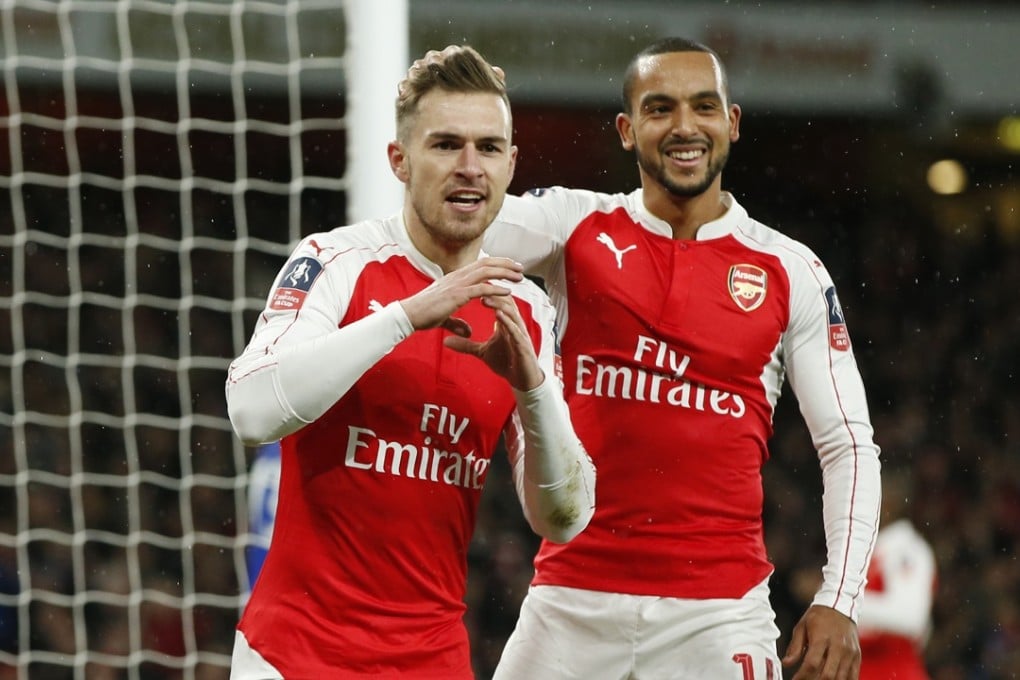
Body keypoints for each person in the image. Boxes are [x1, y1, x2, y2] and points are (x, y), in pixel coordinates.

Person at [409, 37, 882, 679]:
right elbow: (452, 219)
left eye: (703, 107)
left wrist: (840, 598)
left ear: (732, 122)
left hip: (719, 614)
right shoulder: (575, 226)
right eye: (660, 109)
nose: (684, 127)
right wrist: (448, 138)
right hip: (569, 603)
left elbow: (848, 442)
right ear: (628, 131)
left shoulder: (789, 270)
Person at [225, 45, 595, 679]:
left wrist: (532, 389)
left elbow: (563, 518)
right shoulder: (336, 262)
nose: (469, 168)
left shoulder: (525, 312)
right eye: (446, 145)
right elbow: (251, 410)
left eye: (487, 148)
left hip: (431, 661)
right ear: (400, 160)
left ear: (511, 165)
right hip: (292, 655)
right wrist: (404, 317)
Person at [857, 469, 936, 680]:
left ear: (891, 500)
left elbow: (910, 617)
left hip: (893, 671)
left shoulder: (906, 550)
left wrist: (840, 599)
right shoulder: (873, 551)